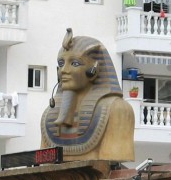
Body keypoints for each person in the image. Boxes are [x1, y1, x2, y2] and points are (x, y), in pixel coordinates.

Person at [40, 28, 134, 161]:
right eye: (61, 64)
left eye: (75, 63)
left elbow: (110, 165)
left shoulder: (117, 110)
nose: (64, 70)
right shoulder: (48, 115)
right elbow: (44, 165)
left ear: (94, 70)